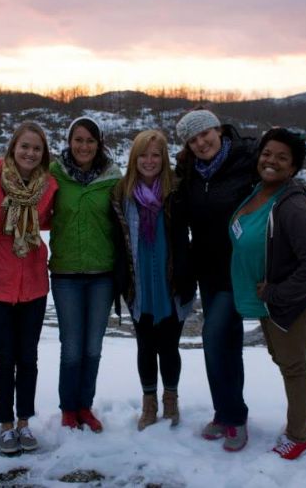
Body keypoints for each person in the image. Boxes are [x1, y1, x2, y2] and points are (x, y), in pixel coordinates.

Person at [229, 127, 306, 460]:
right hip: (272, 298)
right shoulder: (260, 190)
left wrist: (278, 292)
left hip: (296, 299)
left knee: (293, 366)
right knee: (286, 359)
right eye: (267, 153)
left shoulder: (293, 205)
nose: (271, 161)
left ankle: (298, 435)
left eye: (282, 157)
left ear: (294, 167)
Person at [174, 108, 258, 452]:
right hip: (206, 271)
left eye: (204, 134)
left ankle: (234, 416)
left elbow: (278, 193)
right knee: (227, 343)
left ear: (218, 130)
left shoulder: (246, 161)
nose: (200, 143)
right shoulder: (190, 172)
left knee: (213, 336)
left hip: (237, 270)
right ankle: (225, 413)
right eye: (192, 140)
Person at [0, 121, 58, 455]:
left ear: (43, 154)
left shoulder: (49, 185)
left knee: (28, 358)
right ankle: (6, 425)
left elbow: (53, 219)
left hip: (33, 283)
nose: (30, 153)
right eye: (25, 146)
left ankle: (24, 422)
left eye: (37, 148)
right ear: (13, 147)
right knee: (4, 357)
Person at [111, 129, 195, 431]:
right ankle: (149, 402)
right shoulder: (121, 193)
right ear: (134, 158)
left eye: (155, 155)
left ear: (164, 158)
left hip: (172, 281)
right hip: (139, 281)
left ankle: (171, 399)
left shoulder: (177, 190)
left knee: (169, 346)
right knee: (146, 345)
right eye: (143, 155)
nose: (149, 161)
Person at [49, 116, 121, 432]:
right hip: (66, 274)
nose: (84, 146)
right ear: (69, 141)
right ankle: (68, 408)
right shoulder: (53, 175)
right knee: (72, 347)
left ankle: (84, 407)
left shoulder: (112, 178)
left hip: (102, 274)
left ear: (99, 144)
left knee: (93, 347)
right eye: (78, 140)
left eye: (90, 140)